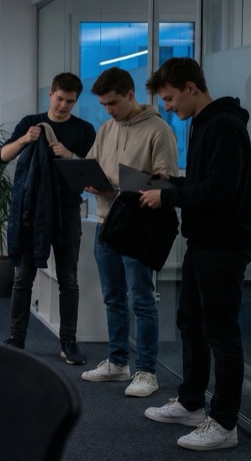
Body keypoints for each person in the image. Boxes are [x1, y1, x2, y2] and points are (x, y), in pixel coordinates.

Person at [139, 57, 251, 451]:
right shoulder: (202, 124)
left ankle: (224, 424)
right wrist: (168, 182)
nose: (167, 107)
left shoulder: (224, 124)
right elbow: (206, 181)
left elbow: (220, 191)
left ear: (191, 87)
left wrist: (169, 195)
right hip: (203, 241)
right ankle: (191, 403)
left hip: (225, 245)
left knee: (221, 335)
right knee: (190, 322)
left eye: (170, 98)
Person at [80, 67, 178, 398]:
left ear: (131, 95)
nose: (108, 110)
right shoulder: (107, 128)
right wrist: (92, 182)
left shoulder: (159, 131)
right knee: (112, 297)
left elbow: (165, 183)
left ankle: (147, 371)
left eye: (113, 103)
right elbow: (93, 164)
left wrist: (120, 184)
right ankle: (118, 363)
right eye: (104, 105)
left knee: (142, 299)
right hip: (106, 224)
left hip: (137, 226)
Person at [1, 72, 96, 365]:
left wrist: (70, 155)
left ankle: (68, 343)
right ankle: (16, 338)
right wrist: (25, 140)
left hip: (68, 211)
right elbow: (4, 155)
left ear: (76, 100)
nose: (64, 106)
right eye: (60, 99)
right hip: (33, 212)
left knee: (68, 279)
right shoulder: (31, 123)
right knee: (23, 277)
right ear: (51, 94)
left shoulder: (84, 130)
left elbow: (95, 173)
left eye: (70, 101)